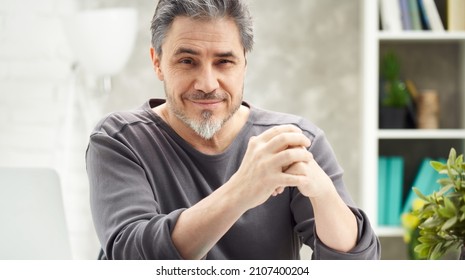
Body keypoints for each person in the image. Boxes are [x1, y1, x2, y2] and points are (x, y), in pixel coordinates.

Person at [86, 0, 380, 260]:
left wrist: (323, 192)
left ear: (244, 65)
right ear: (158, 63)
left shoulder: (294, 141)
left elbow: (356, 266)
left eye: (224, 62)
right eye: (187, 61)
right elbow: (132, 260)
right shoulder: (120, 140)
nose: (207, 84)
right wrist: (244, 189)